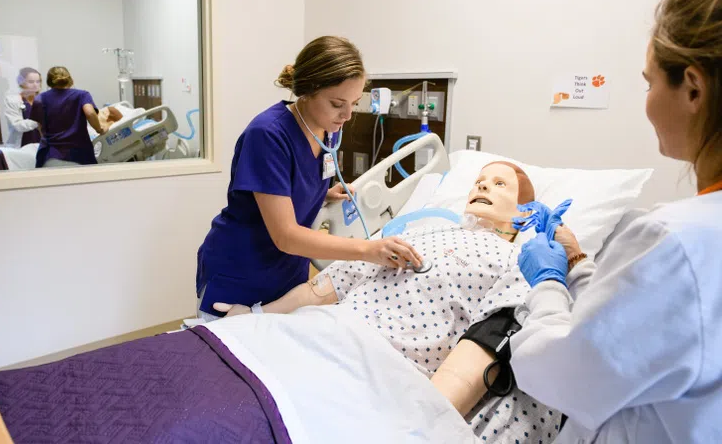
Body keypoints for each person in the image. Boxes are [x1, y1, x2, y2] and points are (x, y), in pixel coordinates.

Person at [506, 0, 722, 443]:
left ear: (692, 87)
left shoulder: (679, 238)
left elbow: (561, 373)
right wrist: (578, 261)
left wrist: (547, 284)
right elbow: (635, 325)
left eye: (648, 84)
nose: (646, 103)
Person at [214, 162, 562, 443]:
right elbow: (328, 286)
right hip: (321, 334)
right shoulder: (422, 232)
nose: (482, 186)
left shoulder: (520, 262)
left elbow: (485, 345)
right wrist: (254, 317)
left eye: (499, 184)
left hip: (381, 371)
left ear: (523, 212)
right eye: (479, 180)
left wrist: (421, 427)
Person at [196, 36, 422, 321]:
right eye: (338, 103)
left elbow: (290, 180)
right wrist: (369, 249)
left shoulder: (328, 128)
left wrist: (322, 192)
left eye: (354, 102)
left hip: (288, 275)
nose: (348, 115)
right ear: (307, 91)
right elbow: (286, 235)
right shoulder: (268, 135)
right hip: (242, 272)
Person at [31, 66, 107, 168]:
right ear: (69, 79)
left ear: (49, 81)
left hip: (50, 155)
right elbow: (90, 113)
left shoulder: (40, 98)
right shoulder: (82, 95)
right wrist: (99, 129)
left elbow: (40, 126)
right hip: (79, 154)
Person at [4, 67, 42, 148]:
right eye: (31, 82)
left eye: (38, 81)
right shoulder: (13, 100)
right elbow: (17, 125)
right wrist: (38, 122)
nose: (35, 85)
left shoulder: (44, 100)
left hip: (41, 145)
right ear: (21, 82)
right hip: (21, 146)